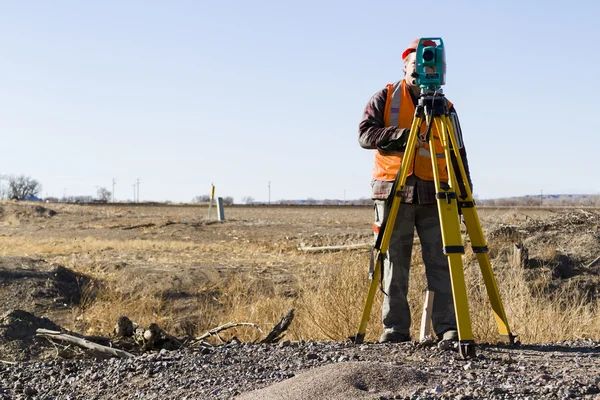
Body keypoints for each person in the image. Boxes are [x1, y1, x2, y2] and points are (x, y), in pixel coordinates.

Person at [358, 38, 473, 344]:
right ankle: (395, 329)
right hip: (393, 190)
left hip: (434, 192)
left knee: (442, 260)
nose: (422, 73)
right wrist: (404, 136)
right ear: (406, 66)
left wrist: (465, 195)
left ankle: (447, 326)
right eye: (416, 67)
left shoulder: (445, 108)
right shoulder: (386, 96)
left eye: (430, 68)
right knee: (395, 263)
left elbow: (458, 153)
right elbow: (365, 134)